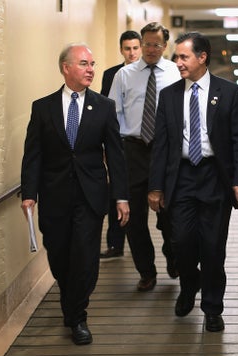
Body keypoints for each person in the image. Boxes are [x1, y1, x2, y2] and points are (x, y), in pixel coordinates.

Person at [21, 43, 129, 345]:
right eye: (84, 64)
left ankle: (77, 316)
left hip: (90, 195)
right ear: (66, 68)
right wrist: (29, 193)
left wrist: (121, 196)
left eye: (92, 64)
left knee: (85, 256)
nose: (91, 70)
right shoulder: (42, 108)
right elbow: (34, 154)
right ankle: (71, 302)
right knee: (59, 255)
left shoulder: (104, 107)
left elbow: (116, 155)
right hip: (54, 196)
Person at [149, 32, 238, 332]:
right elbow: (161, 144)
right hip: (180, 178)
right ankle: (189, 288)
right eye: (176, 57)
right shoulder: (169, 95)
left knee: (213, 247)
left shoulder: (228, 92)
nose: (177, 62)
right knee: (182, 243)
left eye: (183, 57)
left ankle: (213, 307)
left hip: (214, 177)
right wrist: (156, 186)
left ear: (202, 57)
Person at [108, 22, 181, 291]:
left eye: (157, 45)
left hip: (167, 150)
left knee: (171, 215)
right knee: (133, 219)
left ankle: (172, 254)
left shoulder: (176, 73)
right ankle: (146, 271)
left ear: (165, 46)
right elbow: (113, 116)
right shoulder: (124, 76)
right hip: (134, 150)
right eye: (147, 43)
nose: (151, 49)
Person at [99, 30, 141, 259]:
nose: (132, 53)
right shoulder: (111, 75)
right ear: (121, 49)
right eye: (127, 48)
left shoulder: (149, 74)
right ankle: (115, 244)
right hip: (119, 142)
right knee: (116, 192)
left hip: (144, 145)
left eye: (136, 48)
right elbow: (105, 109)